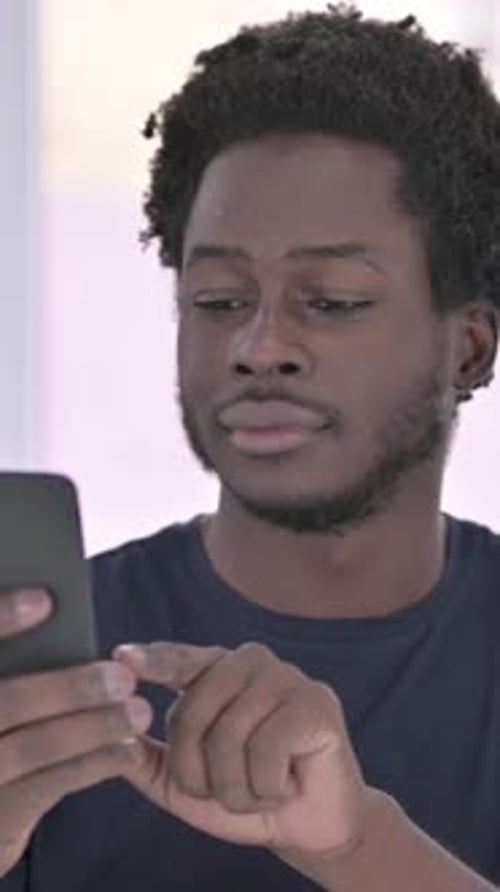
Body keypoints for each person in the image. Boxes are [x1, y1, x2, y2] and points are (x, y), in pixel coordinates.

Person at [1, 4, 500, 890]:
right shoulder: (42, 683)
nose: (258, 346)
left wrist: (357, 849)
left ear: (468, 345)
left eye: (335, 300)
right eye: (220, 299)